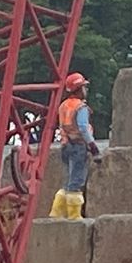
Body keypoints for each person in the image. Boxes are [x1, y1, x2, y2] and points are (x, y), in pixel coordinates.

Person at [49, 72, 100, 218]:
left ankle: (57, 212)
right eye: (84, 87)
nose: (86, 90)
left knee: (68, 180)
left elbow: (61, 125)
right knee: (76, 181)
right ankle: (74, 215)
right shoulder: (80, 107)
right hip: (78, 146)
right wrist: (93, 147)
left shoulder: (63, 106)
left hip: (66, 145)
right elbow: (83, 127)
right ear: (79, 89)